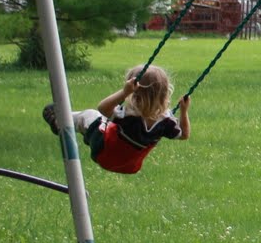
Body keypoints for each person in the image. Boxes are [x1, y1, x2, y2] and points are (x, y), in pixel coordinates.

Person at [42, 65, 190, 174]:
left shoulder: (128, 116)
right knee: (99, 121)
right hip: (130, 166)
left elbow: (103, 108)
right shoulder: (166, 122)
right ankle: (64, 118)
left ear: (135, 95)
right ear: (165, 93)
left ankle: (59, 121)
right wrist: (184, 111)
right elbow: (184, 135)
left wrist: (124, 93)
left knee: (90, 115)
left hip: (104, 151)